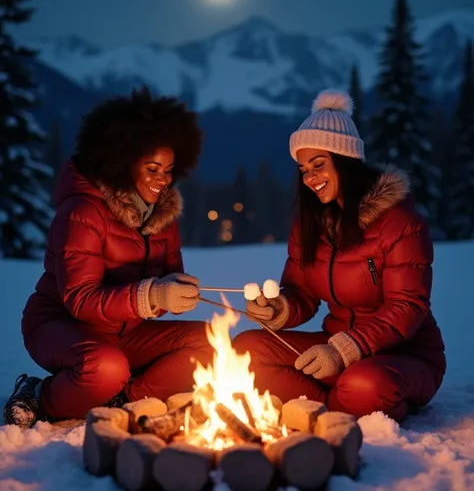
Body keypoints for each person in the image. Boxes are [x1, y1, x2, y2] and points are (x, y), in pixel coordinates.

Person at [4, 88, 214, 428]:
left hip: (123, 333)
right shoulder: (82, 213)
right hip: (60, 326)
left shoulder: (162, 217)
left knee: (209, 343)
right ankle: (39, 395)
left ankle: (123, 397)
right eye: (152, 168)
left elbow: (163, 288)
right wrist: (152, 295)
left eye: (169, 169)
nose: (164, 180)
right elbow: (80, 300)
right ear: (123, 163)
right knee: (106, 367)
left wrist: (174, 292)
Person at [233, 89, 446, 423]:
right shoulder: (311, 223)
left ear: (346, 161)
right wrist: (279, 308)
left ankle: (341, 402)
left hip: (402, 356)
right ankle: (334, 406)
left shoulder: (400, 222)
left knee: (361, 384)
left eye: (319, 164)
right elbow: (302, 292)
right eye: (304, 169)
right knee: (245, 350)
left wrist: (344, 349)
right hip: (332, 349)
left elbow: (408, 307)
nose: (311, 178)